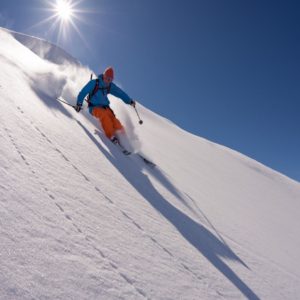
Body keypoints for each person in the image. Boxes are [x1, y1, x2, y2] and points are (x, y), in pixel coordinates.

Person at [75, 67, 136, 143]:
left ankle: (125, 139)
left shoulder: (110, 86)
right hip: (94, 107)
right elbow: (83, 92)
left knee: (115, 122)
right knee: (105, 117)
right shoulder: (94, 83)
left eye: (110, 79)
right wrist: (79, 103)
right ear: (104, 76)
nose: (108, 81)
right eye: (107, 78)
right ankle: (111, 135)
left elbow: (120, 93)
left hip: (106, 108)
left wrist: (129, 101)